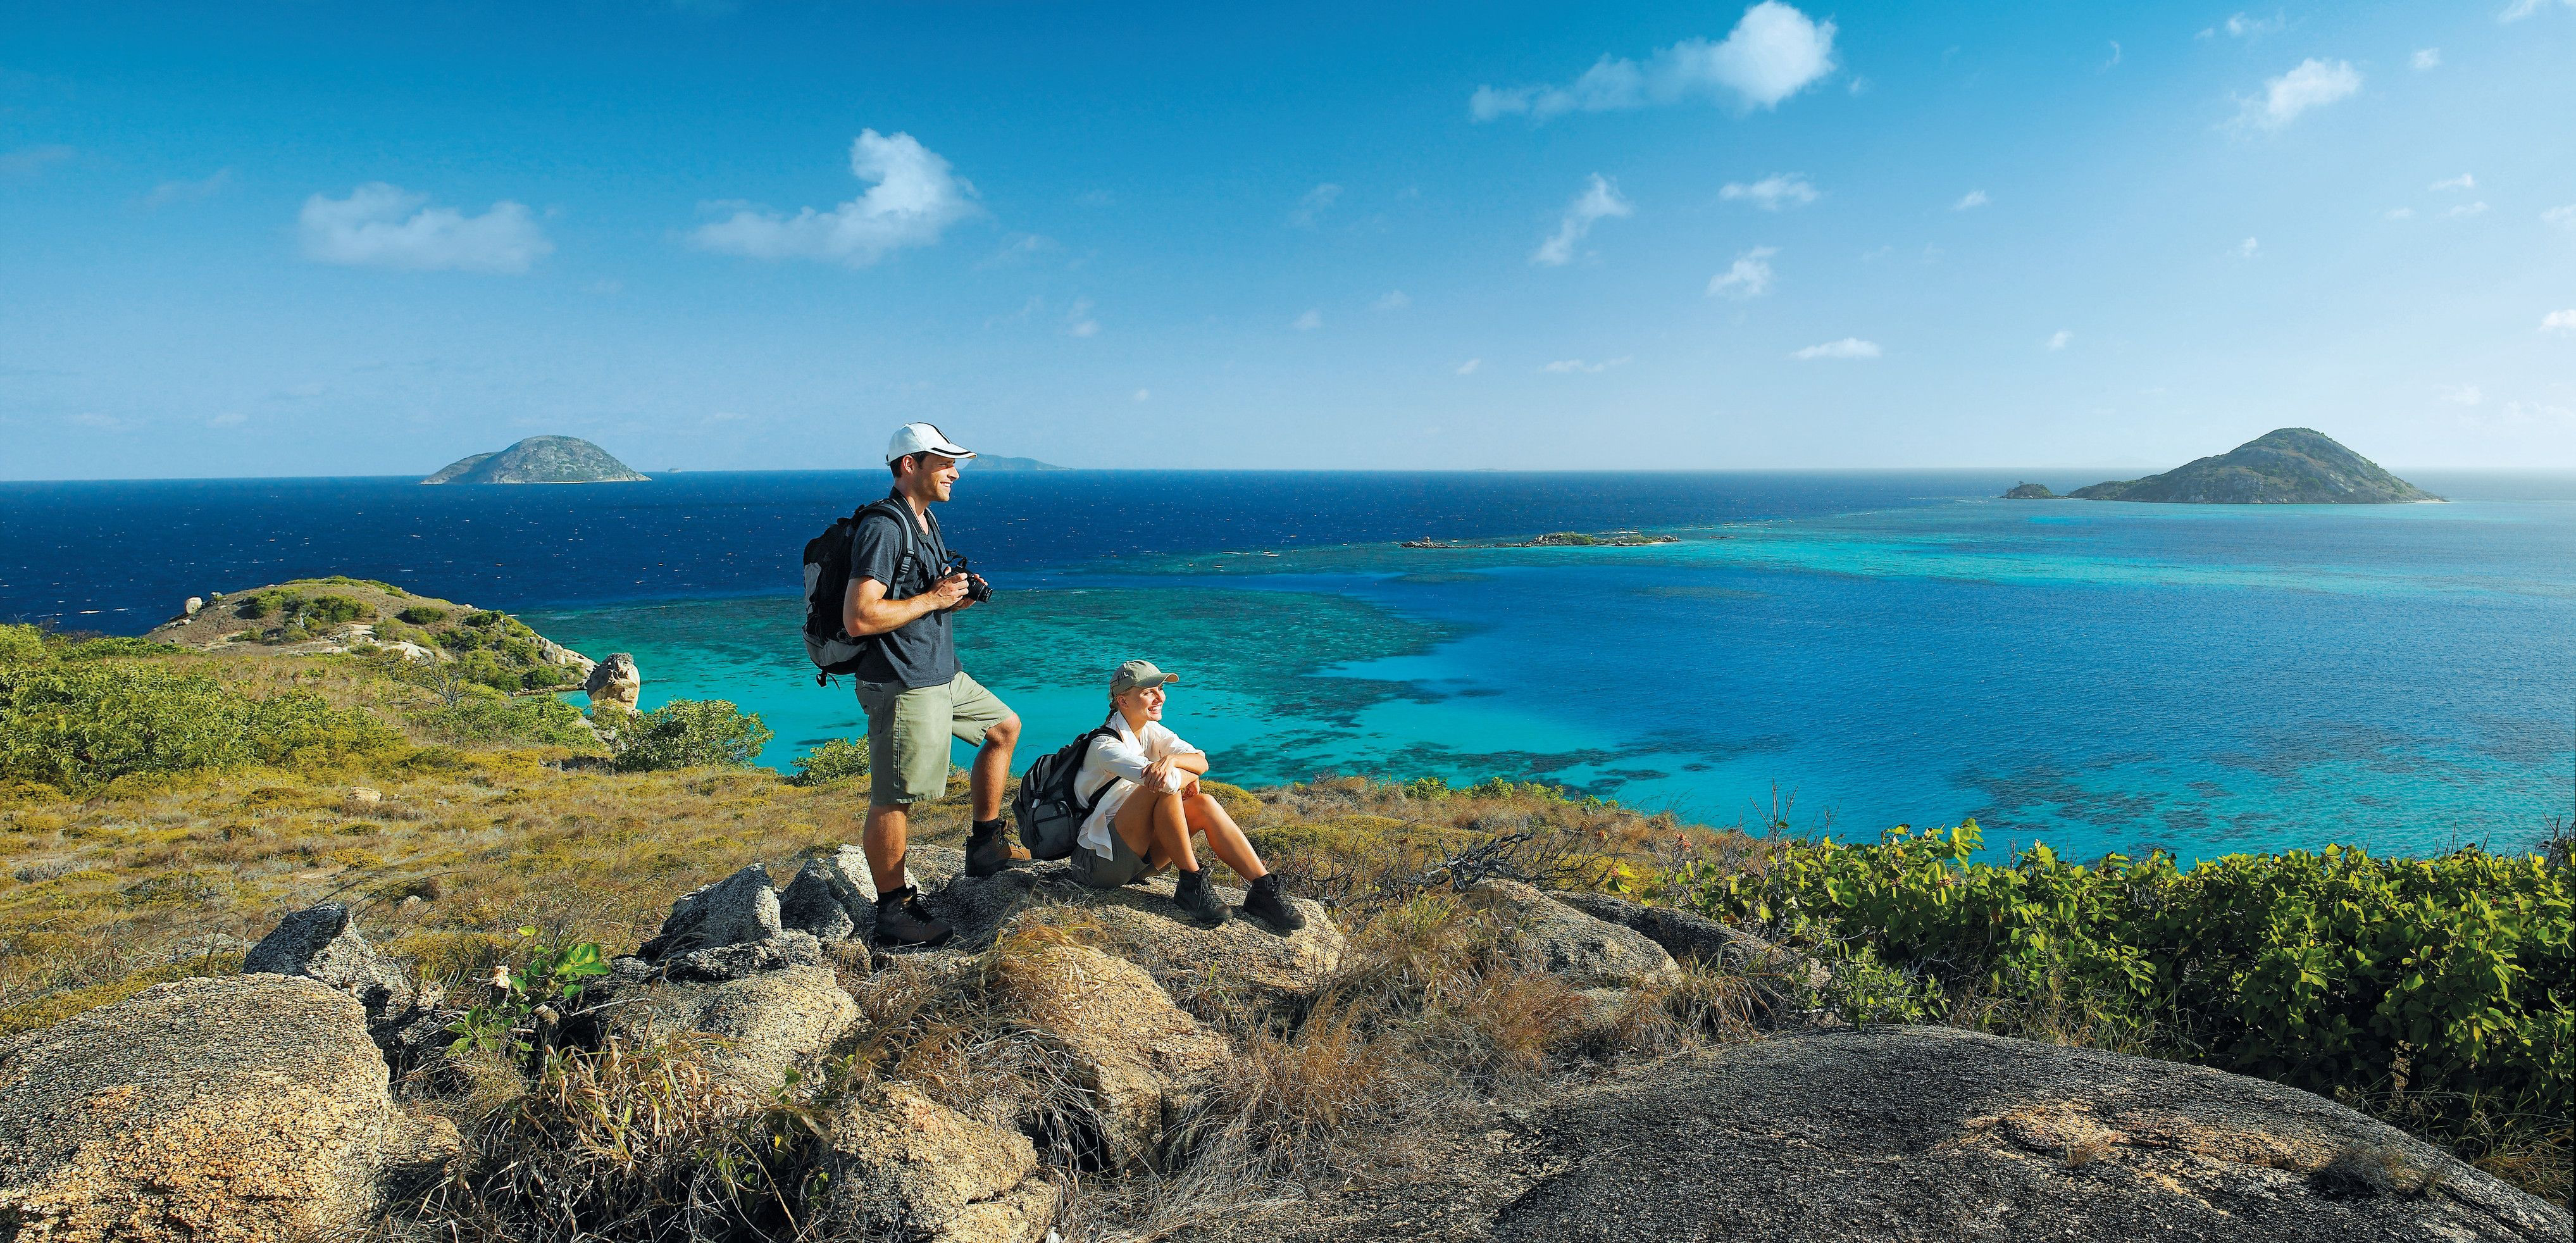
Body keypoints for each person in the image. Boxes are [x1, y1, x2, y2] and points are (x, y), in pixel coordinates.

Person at [842, 422, 1023, 946]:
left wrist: (957, 597)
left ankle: (986, 845)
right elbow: (859, 617)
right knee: (895, 797)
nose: (955, 473)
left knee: (1003, 728)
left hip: (940, 672)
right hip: (903, 682)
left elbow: (923, 596)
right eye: (944, 464)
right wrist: (935, 599)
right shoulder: (884, 527)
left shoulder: (925, 521)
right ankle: (893, 912)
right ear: (909, 466)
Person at [1071, 659, 1304, 930]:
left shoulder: (1151, 731)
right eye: (1148, 692)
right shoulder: (1105, 746)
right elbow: (1169, 782)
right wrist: (1184, 773)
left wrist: (1172, 760)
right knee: (1161, 787)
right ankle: (1192, 882)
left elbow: (1201, 760)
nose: (1160, 697)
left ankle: (1263, 889)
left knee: (1204, 803)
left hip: (1139, 859)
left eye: (1160, 689)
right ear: (1122, 701)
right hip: (1099, 863)